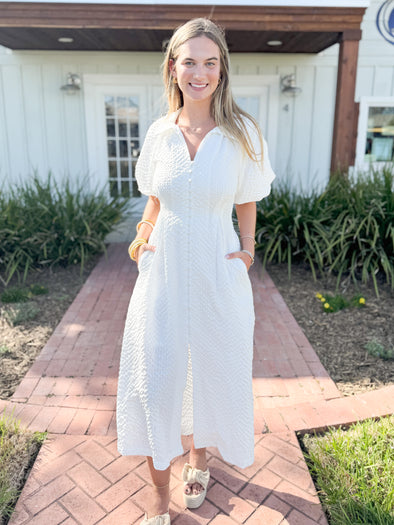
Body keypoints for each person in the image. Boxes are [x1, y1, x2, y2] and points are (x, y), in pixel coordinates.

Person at [116, 17, 276, 525]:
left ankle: (199, 460)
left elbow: (247, 200)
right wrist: (142, 238)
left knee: (208, 371)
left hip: (216, 270)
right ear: (174, 67)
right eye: (190, 61)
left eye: (210, 62)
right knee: (157, 379)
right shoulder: (160, 133)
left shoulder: (242, 131)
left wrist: (248, 252)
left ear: (222, 70)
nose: (199, 72)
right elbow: (155, 202)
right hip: (161, 276)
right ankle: (158, 505)